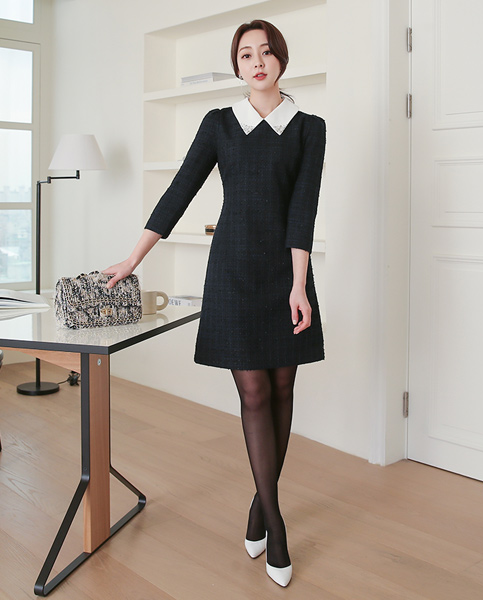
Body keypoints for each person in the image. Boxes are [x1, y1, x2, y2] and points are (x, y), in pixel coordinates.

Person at [104, 19, 326, 588]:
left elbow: (303, 210)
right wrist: (133, 259)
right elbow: (180, 190)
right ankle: (276, 524)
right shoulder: (219, 124)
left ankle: (258, 504)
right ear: (237, 66)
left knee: (283, 389)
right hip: (232, 271)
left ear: (282, 60)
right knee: (254, 392)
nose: (258, 62)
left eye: (267, 52)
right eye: (246, 54)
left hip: (286, 275)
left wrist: (299, 285)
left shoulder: (309, 128)